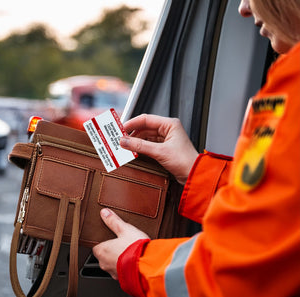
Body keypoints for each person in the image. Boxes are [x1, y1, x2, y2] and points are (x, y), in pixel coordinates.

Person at [92, 0, 300, 296]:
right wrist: (195, 170)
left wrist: (137, 262)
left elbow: (244, 268)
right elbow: (280, 211)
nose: (242, 8)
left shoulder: (292, 86)